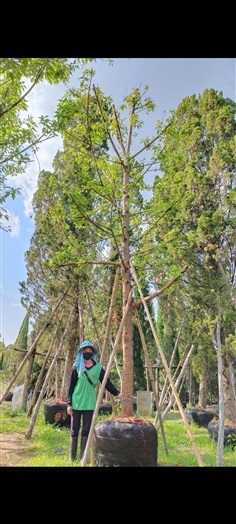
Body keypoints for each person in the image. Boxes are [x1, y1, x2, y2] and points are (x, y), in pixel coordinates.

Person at [67, 340, 122, 462]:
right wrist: (69, 403)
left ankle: (83, 457)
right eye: (85, 351)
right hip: (76, 401)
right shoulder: (76, 367)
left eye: (89, 351)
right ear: (81, 352)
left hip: (90, 402)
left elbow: (106, 383)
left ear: (92, 353)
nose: (87, 353)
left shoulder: (98, 368)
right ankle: (72, 458)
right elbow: (71, 387)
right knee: (74, 429)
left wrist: (117, 393)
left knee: (86, 430)